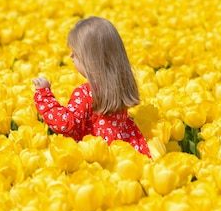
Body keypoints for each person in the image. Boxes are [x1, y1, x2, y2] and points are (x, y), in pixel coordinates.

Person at [33, 16, 151, 157]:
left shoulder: (86, 93)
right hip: (124, 151)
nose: (71, 55)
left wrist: (44, 96)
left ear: (91, 60)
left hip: (96, 156)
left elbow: (65, 124)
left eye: (76, 53)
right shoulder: (121, 84)